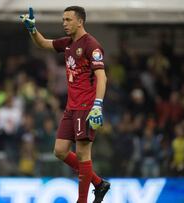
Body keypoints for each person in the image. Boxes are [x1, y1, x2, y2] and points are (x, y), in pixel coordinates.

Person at [20, 6, 110, 203]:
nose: (64, 23)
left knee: (82, 153)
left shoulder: (91, 45)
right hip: (71, 107)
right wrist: (32, 30)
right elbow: (43, 44)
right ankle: (99, 183)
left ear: (80, 21)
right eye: (63, 20)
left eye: (68, 20)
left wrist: (97, 105)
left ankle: (82, 201)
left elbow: (102, 77)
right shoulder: (68, 43)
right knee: (59, 151)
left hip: (86, 106)